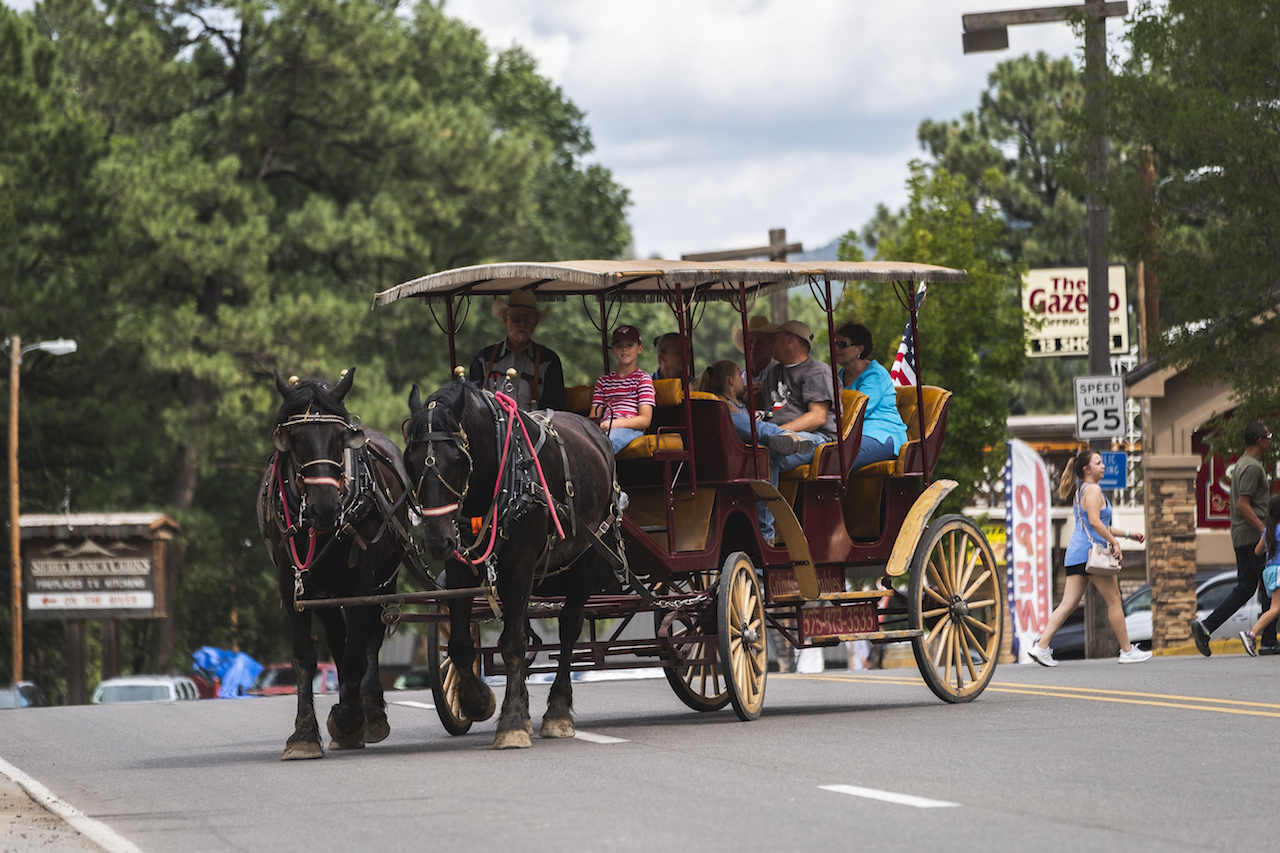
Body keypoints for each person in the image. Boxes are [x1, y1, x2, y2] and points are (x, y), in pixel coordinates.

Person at [1027, 450, 1152, 666]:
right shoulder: (1093, 489)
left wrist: (1127, 534)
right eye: (1098, 463)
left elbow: (1097, 524)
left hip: (1076, 555)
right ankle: (1127, 650)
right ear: (1087, 469)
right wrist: (1113, 542)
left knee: (1068, 604)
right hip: (1090, 555)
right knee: (1114, 601)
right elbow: (1095, 523)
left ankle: (1041, 646)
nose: (1103, 466)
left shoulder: (1082, 491)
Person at [1192, 421, 1273, 656]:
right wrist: (1263, 530)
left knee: (1247, 586)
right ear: (1259, 440)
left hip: (1242, 535)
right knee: (1270, 584)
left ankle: (1206, 626)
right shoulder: (1252, 467)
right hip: (1252, 536)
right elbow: (1242, 504)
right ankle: (1268, 641)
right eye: (1268, 435)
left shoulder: (1242, 465)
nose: (1270, 439)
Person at [468, 290, 567, 411]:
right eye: (516, 317)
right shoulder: (483, 359)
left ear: (535, 322)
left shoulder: (548, 361)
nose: (522, 323)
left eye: (529, 318)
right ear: (505, 320)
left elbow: (555, 407)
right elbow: (472, 403)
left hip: (533, 429)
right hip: (493, 428)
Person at [833, 321, 908, 470]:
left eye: (842, 344)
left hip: (882, 435)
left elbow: (855, 412)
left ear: (859, 349)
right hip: (850, 437)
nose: (835, 348)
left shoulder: (875, 375)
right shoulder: (839, 376)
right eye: (834, 343)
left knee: (836, 460)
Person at [590, 325, 655, 454]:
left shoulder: (643, 379)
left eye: (630, 345)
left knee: (605, 444)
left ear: (639, 348)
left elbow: (645, 420)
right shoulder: (603, 381)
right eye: (619, 346)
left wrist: (615, 424)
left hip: (630, 429)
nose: (624, 349)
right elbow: (594, 416)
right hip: (605, 427)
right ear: (613, 350)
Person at [1240, 494, 1280, 656]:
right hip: (1279, 571)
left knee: (1276, 608)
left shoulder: (1269, 531)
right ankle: (1251, 634)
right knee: (1276, 609)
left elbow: (1258, 551)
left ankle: (1251, 634)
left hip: (1270, 571)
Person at [732, 314, 774, 384]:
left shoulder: (780, 377)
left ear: (771, 346)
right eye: (750, 341)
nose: (753, 346)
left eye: (760, 341)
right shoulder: (735, 379)